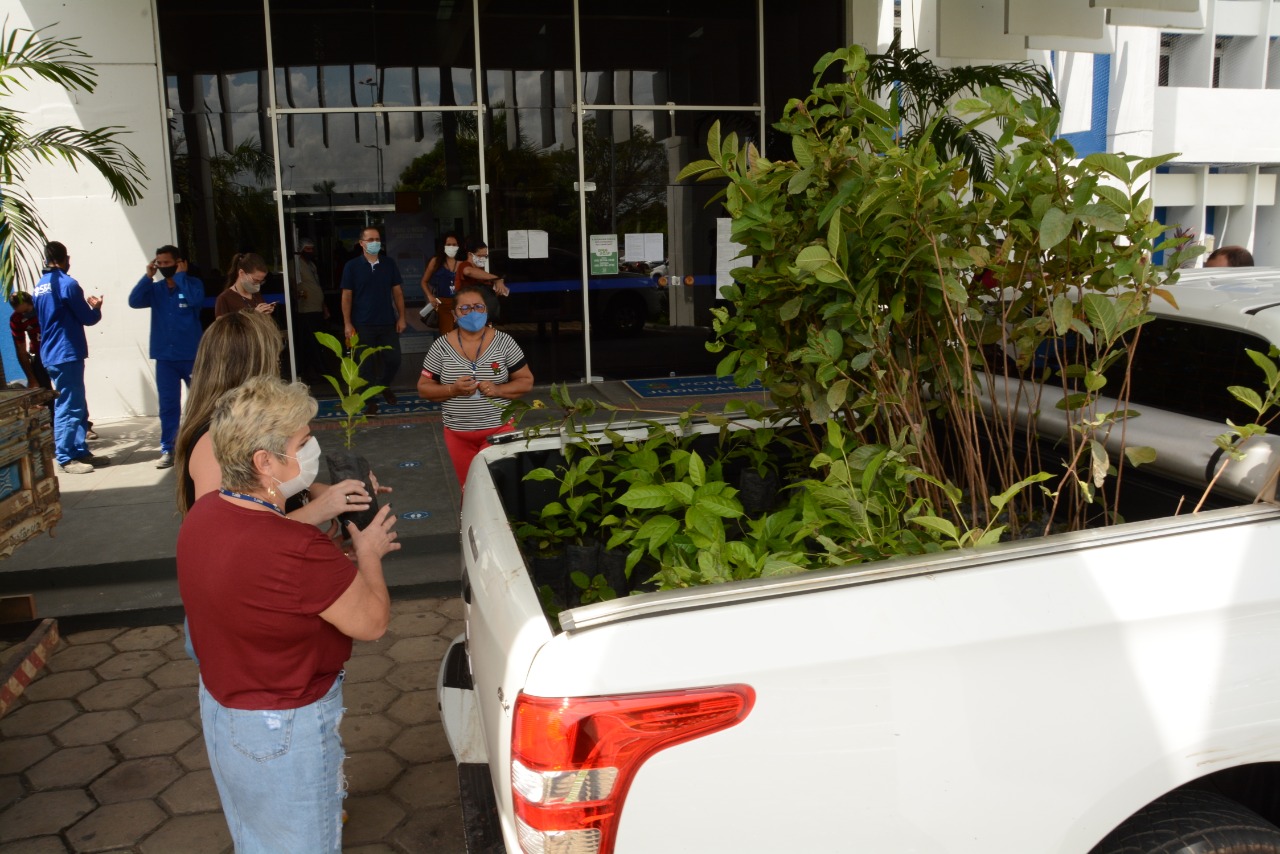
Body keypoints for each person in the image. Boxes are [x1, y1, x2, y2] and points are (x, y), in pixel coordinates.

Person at [178, 375, 398, 852]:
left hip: (225, 711)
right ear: (265, 462)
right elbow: (372, 622)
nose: (313, 448)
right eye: (302, 442)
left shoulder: (206, 513)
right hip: (283, 730)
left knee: (256, 840)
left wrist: (320, 507)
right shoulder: (296, 550)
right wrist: (369, 554)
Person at [174, 310, 372, 523]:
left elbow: (268, 490)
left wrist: (337, 494)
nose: (278, 367)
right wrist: (317, 511)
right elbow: (223, 531)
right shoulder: (211, 442)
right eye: (276, 358)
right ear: (256, 365)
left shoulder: (247, 427)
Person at [416, 284, 534, 485]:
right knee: (470, 490)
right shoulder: (441, 347)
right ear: (454, 314)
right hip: (457, 434)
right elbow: (423, 387)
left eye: (478, 307)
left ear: (486, 311)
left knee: (502, 489)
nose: (473, 312)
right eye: (465, 308)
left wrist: (498, 389)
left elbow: (526, 381)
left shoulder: (504, 342)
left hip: (499, 430)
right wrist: (452, 389)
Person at [128, 244, 205, 469]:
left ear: (179, 263)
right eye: (159, 263)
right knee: (168, 405)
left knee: (201, 402)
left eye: (167, 263)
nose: (162, 267)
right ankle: (169, 449)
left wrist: (180, 277)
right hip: (165, 358)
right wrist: (147, 277)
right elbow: (133, 301)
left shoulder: (193, 284)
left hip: (191, 355)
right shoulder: (155, 289)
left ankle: (202, 445)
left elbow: (195, 301)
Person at [33, 241, 105, 474]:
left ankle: (79, 451)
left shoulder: (39, 286)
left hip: (51, 352)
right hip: (65, 351)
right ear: (66, 259)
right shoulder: (68, 284)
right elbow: (88, 318)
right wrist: (96, 308)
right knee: (68, 405)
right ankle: (66, 456)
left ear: (46, 259)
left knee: (75, 402)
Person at [340, 226, 404, 414]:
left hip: (387, 323)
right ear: (361, 243)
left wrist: (402, 317)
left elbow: (398, 293)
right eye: (370, 240)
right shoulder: (351, 266)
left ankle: (383, 385)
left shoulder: (389, 264)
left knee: (394, 360)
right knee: (365, 366)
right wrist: (347, 323)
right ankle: (369, 400)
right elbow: (346, 296)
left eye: (377, 239)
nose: (375, 243)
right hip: (362, 324)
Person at [294, 238, 329, 383]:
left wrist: (324, 307)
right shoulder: (295, 265)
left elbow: (316, 285)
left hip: (317, 306)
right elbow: (293, 284)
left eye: (312, 249)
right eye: (308, 249)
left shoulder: (311, 265)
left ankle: (316, 370)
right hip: (306, 308)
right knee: (311, 341)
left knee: (317, 340)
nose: (311, 252)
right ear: (301, 250)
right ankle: (318, 371)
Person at [8, 291, 51, 393]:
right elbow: (21, 350)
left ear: (31, 302)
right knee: (44, 393)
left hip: (56, 351)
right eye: (21, 313)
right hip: (38, 355)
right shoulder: (16, 318)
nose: (26, 315)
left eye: (27, 311)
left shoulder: (44, 306)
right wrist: (32, 379)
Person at [420, 232, 462, 334]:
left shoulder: (463, 263)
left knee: (463, 336)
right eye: (448, 244)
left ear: (459, 246)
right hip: (443, 304)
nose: (451, 247)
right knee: (447, 336)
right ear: (443, 246)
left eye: (454, 244)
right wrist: (430, 296)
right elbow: (424, 282)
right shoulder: (436, 261)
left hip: (461, 304)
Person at [215, 252, 276, 318]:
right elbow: (223, 327)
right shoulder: (224, 298)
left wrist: (266, 313)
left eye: (261, 281)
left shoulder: (256, 294)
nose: (257, 284)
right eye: (255, 280)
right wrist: (254, 315)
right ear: (241, 273)